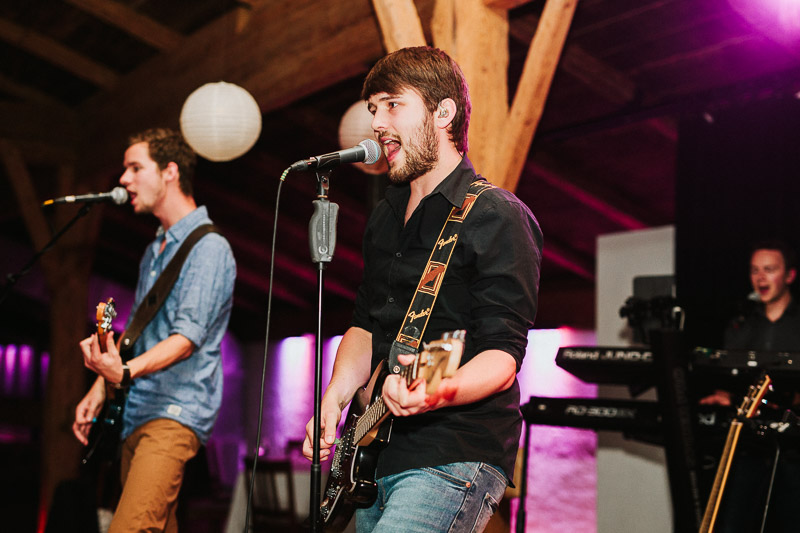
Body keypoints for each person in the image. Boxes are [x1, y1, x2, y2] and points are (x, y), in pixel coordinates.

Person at [302, 46, 542, 532]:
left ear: (443, 112)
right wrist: (333, 400)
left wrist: (437, 392)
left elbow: (503, 354)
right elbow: (366, 325)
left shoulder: (496, 215)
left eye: (392, 104)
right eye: (373, 110)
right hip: (372, 454)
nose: (378, 123)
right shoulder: (385, 217)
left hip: (454, 448)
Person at [71, 128, 236, 533]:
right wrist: (101, 387)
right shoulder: (154, 249)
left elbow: (185, 339)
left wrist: (123, 373)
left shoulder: (209, 248)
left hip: (173, 413)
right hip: (136, 412)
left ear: (169, 172)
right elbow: (143, 335)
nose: (124, 180)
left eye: (134, 167)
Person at [699, 239, 800, 532]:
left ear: (789, 275)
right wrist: (724, 397)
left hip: (793, 448)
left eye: (769, 269)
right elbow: (730, 380)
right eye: (755, 270)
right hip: (747, 446)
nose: (760, 277)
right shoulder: (740, 326)